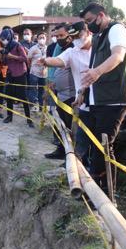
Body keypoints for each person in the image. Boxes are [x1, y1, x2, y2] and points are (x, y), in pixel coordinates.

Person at [80, 3, 126, 194]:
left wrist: (96, 72)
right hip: (100, 98)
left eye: (89, 21)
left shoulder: (117, 29)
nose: (88, 26)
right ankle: (99, 190)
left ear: (101, 15)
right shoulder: (99, 36)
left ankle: (105, 194)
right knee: (97, 145)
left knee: (103, 146)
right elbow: (93, 65)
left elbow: (118, 56)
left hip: (115, 98)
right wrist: (84, 91)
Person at [38, 22, 93, 163]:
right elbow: (59, 60)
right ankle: (71, 158)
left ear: (88, 33)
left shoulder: (99, 51)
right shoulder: (72, 51)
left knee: (90, 134)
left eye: (78, 36)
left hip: (97, 99)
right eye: (73, 37)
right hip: (79, 99)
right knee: (71, 129)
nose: (75, 39)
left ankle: (85, 163)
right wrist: (46, 61)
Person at [45, 23, 76, 159]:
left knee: (70, 125)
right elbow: (54, 64)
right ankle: (61, 149)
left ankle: (70, 155)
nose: (58, 38)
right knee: (61, 122)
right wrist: (52, 80)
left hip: (72, 95)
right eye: (56, 36)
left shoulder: (75, 48)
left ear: (70, 34)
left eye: (61, 35)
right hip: (60, 92)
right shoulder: (59, 47)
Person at [0, 28, 33, 127]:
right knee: (9, 96)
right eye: (2, 39)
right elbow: (4, 62)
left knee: (23, 97)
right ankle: (9, 116)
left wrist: (12, 57)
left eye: (4, 38)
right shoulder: (6, 47)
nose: (3, 40)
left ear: (9, 37)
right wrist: (2, 55)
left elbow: (25, 58)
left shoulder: (17, 45)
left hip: (20, 74)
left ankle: (29, 119)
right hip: (10, 74)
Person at [27, 32, 48, 108]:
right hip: (34, 72)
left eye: (43, 38)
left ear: (46, 39)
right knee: (33, 89)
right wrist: (31, 67)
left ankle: (41, 106)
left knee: (41, 90)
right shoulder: (33, 48)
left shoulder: (48, 48)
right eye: (40, 38)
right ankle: (31, 105)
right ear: (37, 39)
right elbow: (28, 59)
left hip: (44, 74)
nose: (42, 39)